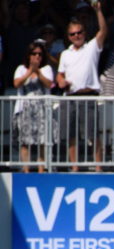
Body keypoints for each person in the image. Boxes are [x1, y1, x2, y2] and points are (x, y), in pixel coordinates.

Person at [56, 2, 108, 172]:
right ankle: (75, 167)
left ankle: (98, 167)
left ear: (84, 33)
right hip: (70, 97)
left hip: (89, 95)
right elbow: (60, 74)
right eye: (73, 34)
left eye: (79, 32)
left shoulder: (92, 47)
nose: (76, 36)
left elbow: (103, 31)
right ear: (68, 36)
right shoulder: (65, 54)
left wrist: (98, 11)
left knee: (93, 134)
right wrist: (61, 81)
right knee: (71, 134)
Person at [13, 42, 55, 173]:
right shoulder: (21, 68)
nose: (37, 56)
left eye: (40, 54)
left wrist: (37, 72)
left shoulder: (46, 68)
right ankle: (26, 170)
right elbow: (16, 83)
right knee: (25, 141)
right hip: (24, 109)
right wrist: (30, 71)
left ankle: (41, 170)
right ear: (29, 55)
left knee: (42, 141)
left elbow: (49, 84)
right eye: (34, 53)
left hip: (42, 109)